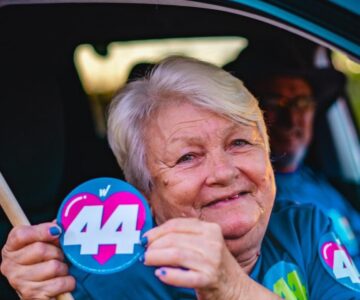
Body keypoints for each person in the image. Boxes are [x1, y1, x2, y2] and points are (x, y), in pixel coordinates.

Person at [1, 56, 360, 299]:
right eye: (188, 157)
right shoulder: (112, 285)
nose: (223, 172)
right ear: (146, 189)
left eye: (239, 143)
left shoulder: (306, 228)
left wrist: (235, 289)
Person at [225, 42, 360, 263]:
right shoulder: (245, 201)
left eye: (302, 102)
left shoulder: (319, 180)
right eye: (274, 102)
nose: (292, 119)